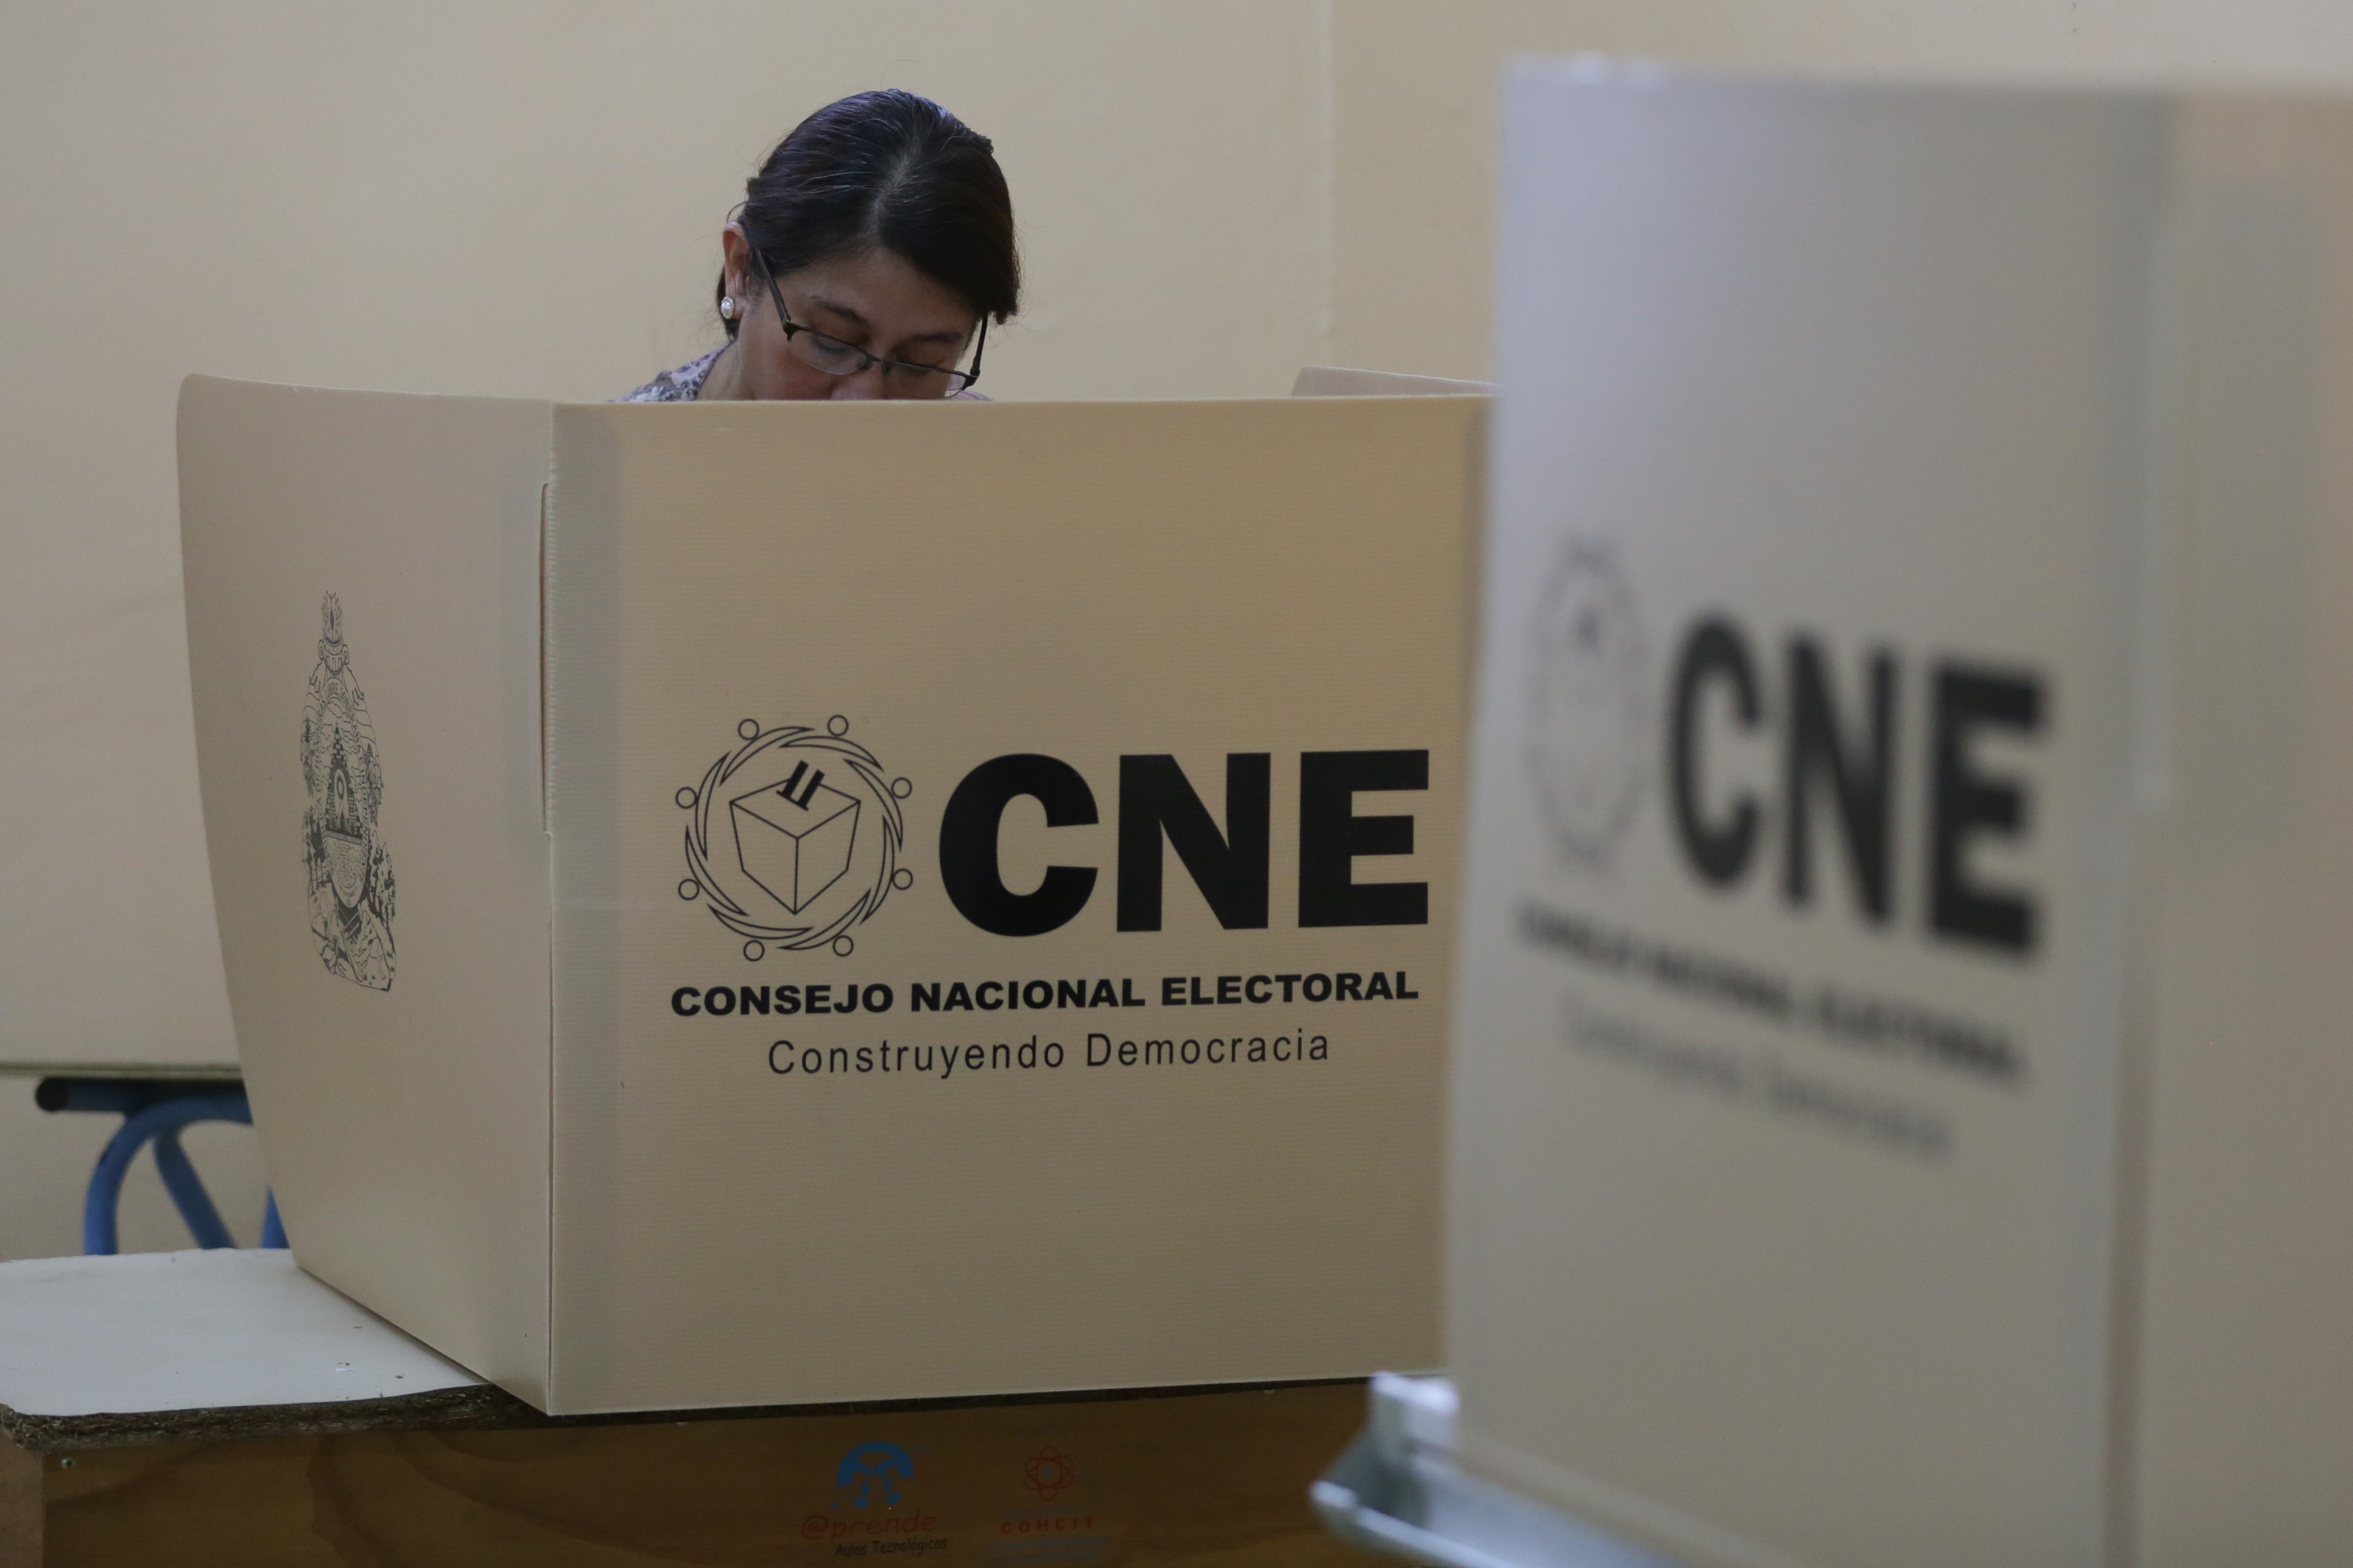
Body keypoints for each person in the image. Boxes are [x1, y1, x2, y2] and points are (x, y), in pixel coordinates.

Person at [621, 90, 1017, 402]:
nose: (867, 401)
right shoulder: (610, 482)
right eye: (831, 342)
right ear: (741, 271)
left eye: (919, 364)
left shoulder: (998, 475)